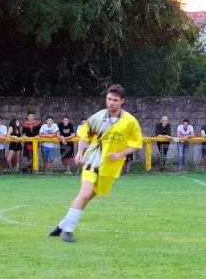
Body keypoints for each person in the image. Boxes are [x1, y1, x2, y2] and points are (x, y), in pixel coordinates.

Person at [47, 85, 142, 243]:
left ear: (122, 101)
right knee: (84, 194)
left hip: (110, 166)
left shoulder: (130, 122)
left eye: (115, 100)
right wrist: (79, 152)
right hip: (93, 159)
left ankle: (63, 224)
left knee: (88, 197)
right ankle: (68, 231)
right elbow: (84, 135)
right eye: (109, 99)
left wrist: (119, 154)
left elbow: (136, 144)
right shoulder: (98, 117)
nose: (111, 102)